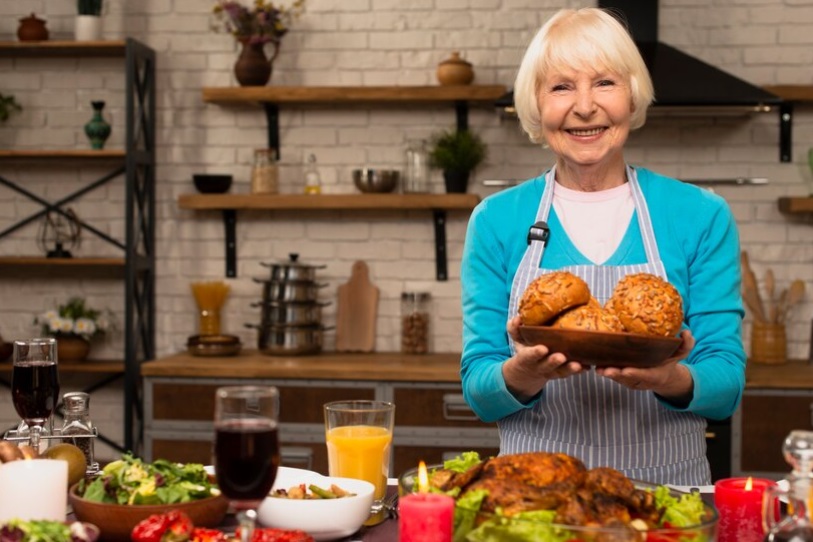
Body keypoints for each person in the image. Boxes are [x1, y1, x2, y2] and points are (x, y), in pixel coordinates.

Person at [459, 7, 746, 485]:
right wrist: (524, 374)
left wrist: (669, 379)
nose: (585, 106)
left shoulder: (700, 214)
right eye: (561, 86)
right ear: (536, 103)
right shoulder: (496, 220)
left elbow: (727, 384)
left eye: (605, 83)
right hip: (536, 497)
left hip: (666, 495)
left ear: (632, 97)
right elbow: (478, 389)